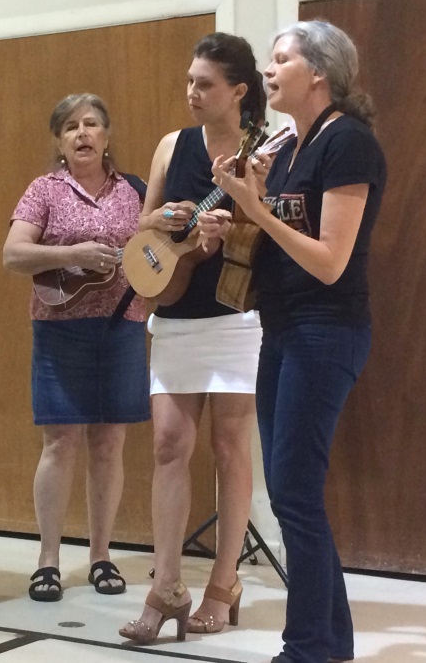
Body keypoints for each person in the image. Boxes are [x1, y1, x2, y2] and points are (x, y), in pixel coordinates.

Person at [209, 20, 385, 663]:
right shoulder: (286, 148)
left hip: (326, 331)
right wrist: (233, 217)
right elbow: (272, 240)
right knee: (291, 493)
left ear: (319, 72)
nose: (268, 70)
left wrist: (257, 209)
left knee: (295, 493)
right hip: (282, 328)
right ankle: (331, 642)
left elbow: (331, 262)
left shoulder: (349, 143)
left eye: (281, 59)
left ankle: (308, 646)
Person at [119, 33, 266, 644]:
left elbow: (270, 231)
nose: (192, 93)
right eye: (189, 81)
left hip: (235, 315)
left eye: (205, 84)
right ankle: (168, 586)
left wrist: (229, 231)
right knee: (167, 445)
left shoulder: (263, 151)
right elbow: (141, 225)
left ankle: (223, 584)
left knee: (230, 449)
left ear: (238, 91)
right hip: (176, 312)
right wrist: (163, 219)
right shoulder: (170, 145)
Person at [3, 93, 150, 602]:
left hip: (122, 326)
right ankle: (48, 559)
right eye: (70, 126)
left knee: (109, 443)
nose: (82, 133)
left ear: (107, 135)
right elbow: (13, 254)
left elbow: (155, 249)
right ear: (59, 141)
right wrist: (74, 253)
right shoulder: (44, 189)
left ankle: (100, 556)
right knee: (60, 442)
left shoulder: (135, 191)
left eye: (91, 124)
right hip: (60, 329)